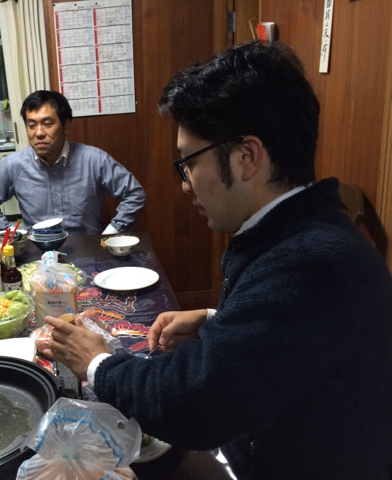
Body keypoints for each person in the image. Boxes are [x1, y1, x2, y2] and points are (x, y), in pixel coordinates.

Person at [43, 41, 392, 479]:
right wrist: (217, 320)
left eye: (188, 162)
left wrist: (97, 363)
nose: (185, 184)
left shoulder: (310, 265)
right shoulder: (301, 231)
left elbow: (195, 406)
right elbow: (285, 339)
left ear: (247, 157)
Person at [0, 90, 147, 235]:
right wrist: (11, 235)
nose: (39, 133)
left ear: (65, 126)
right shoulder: (13, 165)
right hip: (37, 255)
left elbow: (135, 193)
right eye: (32, 125)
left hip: (88, 251)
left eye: (47, 124)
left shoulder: (94, 160)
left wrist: (112, 233)